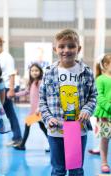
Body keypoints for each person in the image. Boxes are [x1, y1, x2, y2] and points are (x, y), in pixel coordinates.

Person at [39, 29, 97, 176]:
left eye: (71, 46)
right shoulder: (49, 72)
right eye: (62, 46)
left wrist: (86, 111)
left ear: (79, 48)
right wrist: (48, 118)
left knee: (76, 170)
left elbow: (93, 96)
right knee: (58, 170)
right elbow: (42, 99)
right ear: (55, 49)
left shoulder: (86, 72)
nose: (66, 50)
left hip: (78, 129)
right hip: (55, 130)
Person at [0, 36, 22, 146]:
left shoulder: (7, 57)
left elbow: (12, 74)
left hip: (6, 88)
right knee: (7, 113)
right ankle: (17, 138)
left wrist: (11, 90)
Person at [13, 63, 49, 151]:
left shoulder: (40, 82)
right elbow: (26, 92)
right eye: (32, 71)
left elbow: (43, 96)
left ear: (40, 72)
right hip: (33, 111)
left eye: (36, 70)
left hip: (37, 110)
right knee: (42, 127)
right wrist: (14, 94)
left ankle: (22, 145)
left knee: (31, 125)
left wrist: (39, 108)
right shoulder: (32, 82)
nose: (34, 72)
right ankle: (53, 145)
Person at [93, 54, 111, 173]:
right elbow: (99, 96)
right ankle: (104, 163)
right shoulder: (100, 79)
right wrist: (109, 107)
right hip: (104, 114)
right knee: (105, 139)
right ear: (105, 65)